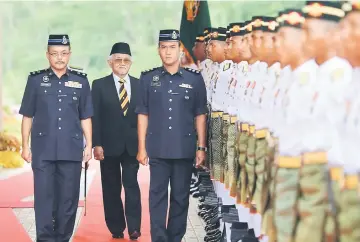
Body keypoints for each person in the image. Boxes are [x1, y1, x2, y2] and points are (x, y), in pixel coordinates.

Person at [135, 29, 207, 242]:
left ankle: (175, 238)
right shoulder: (148, 79)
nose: (168, 52)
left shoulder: (194, 79)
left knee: (180, 198)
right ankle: (159, 238)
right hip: (157, 148)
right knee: (156, 197)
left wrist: (201, 147)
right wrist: (141, 147)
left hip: (184, 148)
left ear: (180, 50)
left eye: (172, 47)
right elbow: (142, 115)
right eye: (164, 47)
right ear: (158, 51)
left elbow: (200, 115)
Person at [19, 34, 93, 242]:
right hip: (43, 150)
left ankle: (62, 237)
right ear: (47, 55)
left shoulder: (81, 81)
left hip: (71, 149)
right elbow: (27, 115)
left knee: (68, 199)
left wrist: (89, 144)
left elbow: (85, 116)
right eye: (55, 54)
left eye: (63, 53)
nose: (59, 58)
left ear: (69, 54)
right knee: (43, 198)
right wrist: (25, 145)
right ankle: (45, 239)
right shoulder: (35, 81)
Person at [91, 42, 141, 240]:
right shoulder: (99, 85)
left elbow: (144, 117)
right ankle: (116, 228)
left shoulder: (139, 84)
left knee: (131, 185)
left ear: (131, 62)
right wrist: (97, 143)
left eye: (126, 60)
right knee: (111, 188)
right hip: (108, 146)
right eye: (118, 60)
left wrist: (144, 145)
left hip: (132, 146)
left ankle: (134, 228)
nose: (122, 63)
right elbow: (95, 117)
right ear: (110, 62)